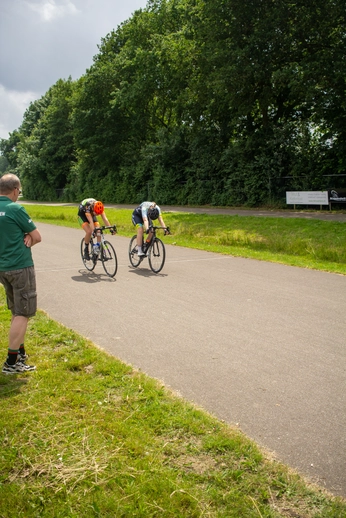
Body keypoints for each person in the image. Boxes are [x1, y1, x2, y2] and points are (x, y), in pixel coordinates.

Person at [0, 173, 42, 374]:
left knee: (16, 310)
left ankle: (20, 353)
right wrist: (28, 234)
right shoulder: (15, 208)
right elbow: (37, 236)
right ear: (15, 189)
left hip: (3, 268)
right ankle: (11, 362)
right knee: (23, 313)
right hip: (20, 266)